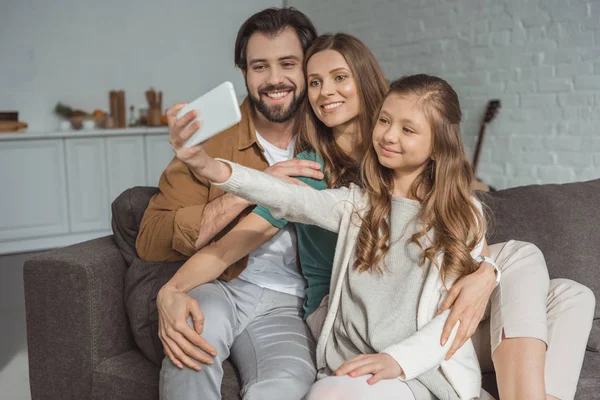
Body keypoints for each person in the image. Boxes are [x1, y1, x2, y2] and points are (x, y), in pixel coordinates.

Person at [168, 73, 595, 399]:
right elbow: (284, 196)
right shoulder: (357, 205)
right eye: (385, 121)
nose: (389, 135)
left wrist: (400, 359)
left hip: (419, 359)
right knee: (333, 392)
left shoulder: (462, 216)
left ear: (437, 144)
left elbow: (455, 315)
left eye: (408, 130)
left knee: (573, 294)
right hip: (363, 360)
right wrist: (208, 166)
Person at [136, 8, 326, 400]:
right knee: (191, 346)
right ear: (244, 73)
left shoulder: (331, 137)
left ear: (307, 67)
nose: (274, 79)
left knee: (286, 386)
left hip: (288, 302)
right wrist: (252, 187)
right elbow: (151, 238)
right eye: (260, 66)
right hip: (220, 284)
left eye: (287, 63)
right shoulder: (210, 139)